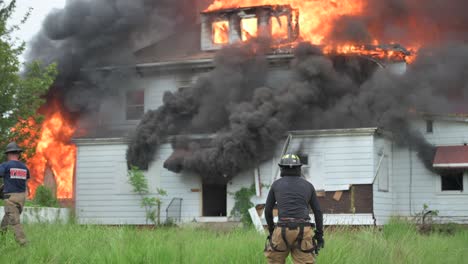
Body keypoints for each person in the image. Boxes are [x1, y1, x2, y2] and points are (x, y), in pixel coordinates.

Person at [264, 153, 324, 264]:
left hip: (281, 230)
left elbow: (267, 211)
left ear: (282, 168)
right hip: (303, 230)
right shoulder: (308, 186)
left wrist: (272, 231)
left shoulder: (276, 185)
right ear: (299, 168)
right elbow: (318, 212)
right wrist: (319, 235)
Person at [0, 142, 30, 246]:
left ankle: (24, 244)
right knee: (7, 218)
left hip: (11, 198)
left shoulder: (6, 165)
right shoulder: (24, 167)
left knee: (15, 222)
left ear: (8, 154)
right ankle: (1, 238)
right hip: (21, 198)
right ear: (18, 154)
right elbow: (23, 181)